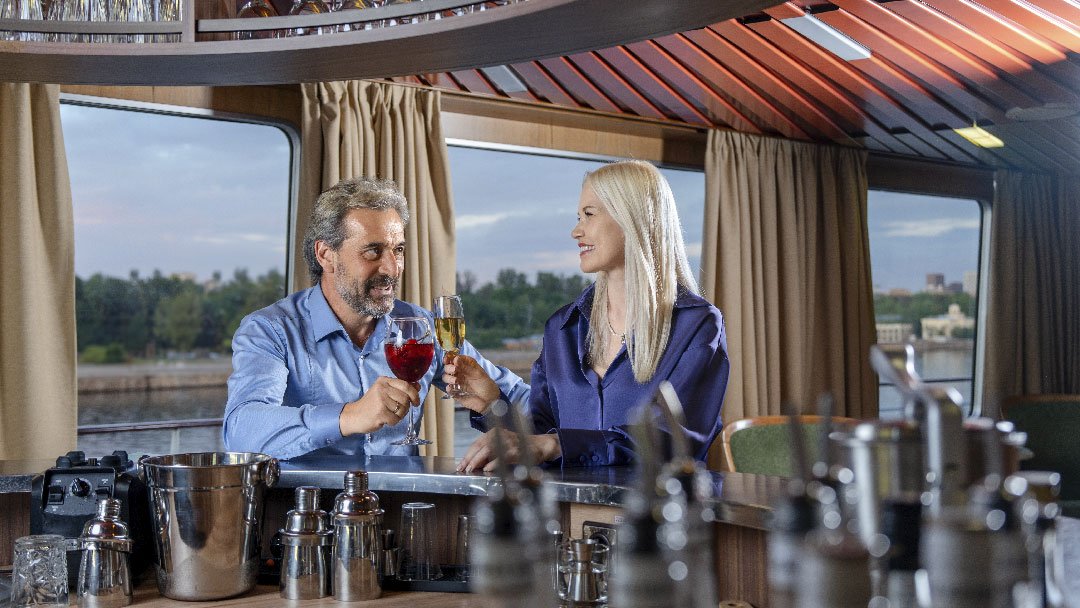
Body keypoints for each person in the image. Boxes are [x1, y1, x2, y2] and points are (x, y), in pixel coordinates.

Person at [223, 177, 529, 460]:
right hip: (312, 500)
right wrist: (350, 416)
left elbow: (528, 403)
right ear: (326, 255)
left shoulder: (422, 326)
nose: (392, 268)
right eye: (373, 251)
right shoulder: (271, 330)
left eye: (398, 250)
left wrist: (494, 405)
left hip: (405, 499)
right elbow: (240, 430)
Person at [458, 160, 729, 471]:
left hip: (657, 503)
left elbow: (670, 441)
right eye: (578, 217)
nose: (576, 231)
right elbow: (540, 436)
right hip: (567, 503)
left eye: (589, 214)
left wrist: (556, 444)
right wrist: (493, 404)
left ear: (631, 218)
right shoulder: (562, 328)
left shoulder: (697, 325)